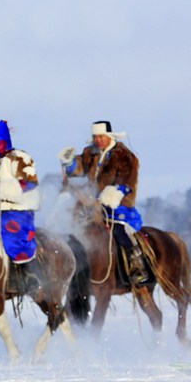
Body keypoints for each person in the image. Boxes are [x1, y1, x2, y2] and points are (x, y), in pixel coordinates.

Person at [59, 120, 150, 286]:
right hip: (92, 204)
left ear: (109, 136)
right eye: (95, 137)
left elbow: (128, 179)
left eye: (101, 136)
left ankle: (136, 266)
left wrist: (114, 194)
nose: (98, 140)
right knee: (73, 226)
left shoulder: (124, 155)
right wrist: (70, 163)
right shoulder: (90, 152)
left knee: (119, 232)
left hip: (118, 204)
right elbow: (79, 168)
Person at [0, 120, 41, 292]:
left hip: (18, 211)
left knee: (12, 237)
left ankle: (26, 274)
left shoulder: (19, 158)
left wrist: (5, 190)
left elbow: (30, 182)